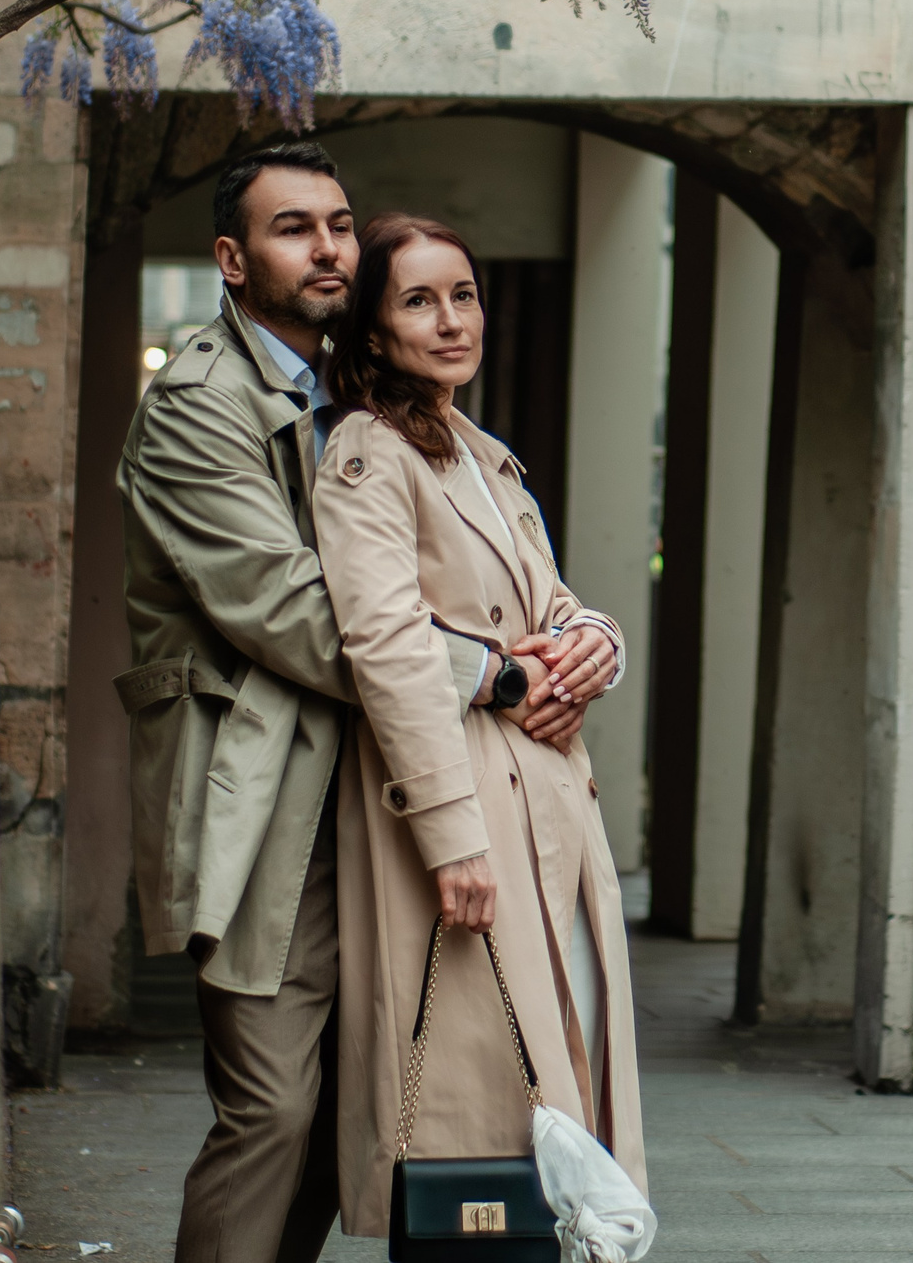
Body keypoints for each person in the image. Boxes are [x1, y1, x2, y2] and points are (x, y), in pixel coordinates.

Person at [117, 142, 500, 1263]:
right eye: (295, 227)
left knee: (352, 1121)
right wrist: (492, 671)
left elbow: (486, 536)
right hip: (260, 800)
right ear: (232, 259)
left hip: (365, 791)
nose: (329, 246)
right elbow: (294, 613)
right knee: (274, 1106)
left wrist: (581, 638)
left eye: (338, 223)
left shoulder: (359, 388)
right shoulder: (198, 407)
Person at [311, 212, 643, 1236]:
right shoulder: (368, 454)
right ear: (371, 329)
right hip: (468, 810)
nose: (450, 318)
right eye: (417, 299)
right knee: (480, 1106)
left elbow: (554, 604)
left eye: (462, 293)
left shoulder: (475, 449)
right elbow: (390, 648)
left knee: (562, 1067)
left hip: (546, 802)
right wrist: (451, 839)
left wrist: (597, 642)